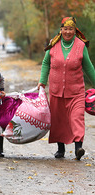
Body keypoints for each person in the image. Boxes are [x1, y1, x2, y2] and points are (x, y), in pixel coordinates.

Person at [38, 17, 95, 161]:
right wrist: (42, 82)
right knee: (58, 120)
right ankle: (60, 149)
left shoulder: (80, 45)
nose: (68, 32)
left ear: (75, 30)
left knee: (77, 118)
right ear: (61, 30)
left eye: (71, 29)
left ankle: (78, 148)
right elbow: (46, 63)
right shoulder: (54, 43)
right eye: (65, 29)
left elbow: (88, 67)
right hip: (56, 90)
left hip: (76, 91)